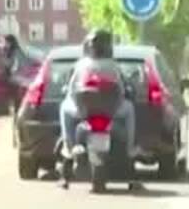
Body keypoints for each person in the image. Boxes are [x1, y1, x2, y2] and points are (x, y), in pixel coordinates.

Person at [58, 28, 140, 189]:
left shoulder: (81, 65)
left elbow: (71, 90)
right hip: (112, 112)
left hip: (83, 112)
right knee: (130, 109)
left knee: (63, 108)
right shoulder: (113, 65)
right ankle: (130, 148)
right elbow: (123, 90)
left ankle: (69, 146)